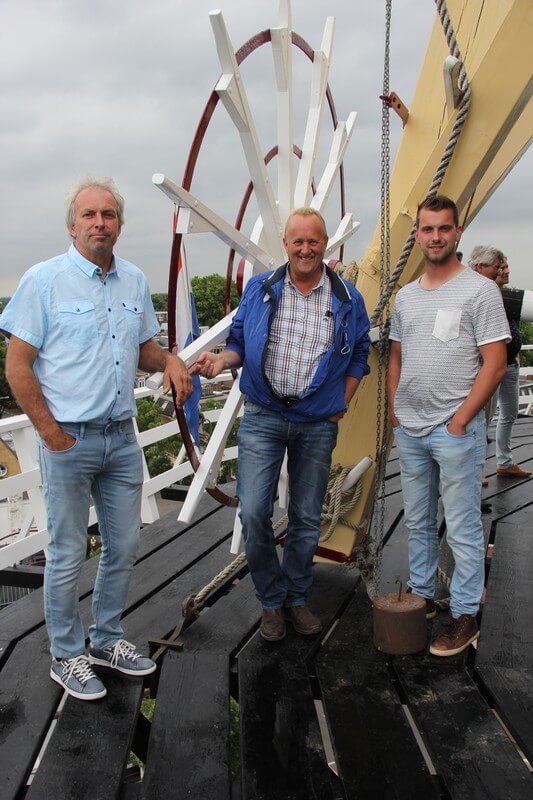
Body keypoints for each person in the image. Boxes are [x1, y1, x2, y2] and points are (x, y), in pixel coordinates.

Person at [0, 177, 192, 700]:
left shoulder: (132, 280)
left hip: (120, 438)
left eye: (108, 214)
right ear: (72, 224)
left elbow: (143, 349)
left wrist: (171, 359)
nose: (99, 223)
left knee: (124, 545)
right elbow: (18, 367)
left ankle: (106, 638)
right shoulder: (44, 281)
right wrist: (50, 434)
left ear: (120, 225)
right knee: (66, 552)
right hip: (69, 440)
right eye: (89, 215)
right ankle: (66, 654)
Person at [192, 208, 370, 642]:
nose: (305, 249)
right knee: (253, 512)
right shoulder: (261, 289)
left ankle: (295, 597)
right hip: (264, 416)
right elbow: (237, 342)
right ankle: (271, 600)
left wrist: (340, 403)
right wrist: (220, 360)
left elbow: (360, 352)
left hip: (317, 422)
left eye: (314, 241)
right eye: (298, 241)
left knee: (307, 516)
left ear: (324, 244)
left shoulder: (346, 298)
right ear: (287, 244)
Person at [387, 195, 509, 657]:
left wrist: (460, 421)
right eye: (427, 229)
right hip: (412, 429)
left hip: (453, 430)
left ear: (458, 233)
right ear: (417, 235)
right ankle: (422, 596)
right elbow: (397, 354)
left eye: (443, 229)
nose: (435, 237)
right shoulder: (406, 296)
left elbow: (495, 364)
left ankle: (464, 615)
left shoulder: (480, 292)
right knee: (418, 521)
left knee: (460, 526)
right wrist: (397, 410)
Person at [469, 248, 531, 479]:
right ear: (481, 269)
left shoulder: (506, 296)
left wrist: (513, 353)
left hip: (509, 365)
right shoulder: (485, 296)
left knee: (509, 413)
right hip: (488, 367)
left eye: (503, 267)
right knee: (481, 418)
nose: (504, 271)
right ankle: (477, 469)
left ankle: (504, 462)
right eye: (498, 267)